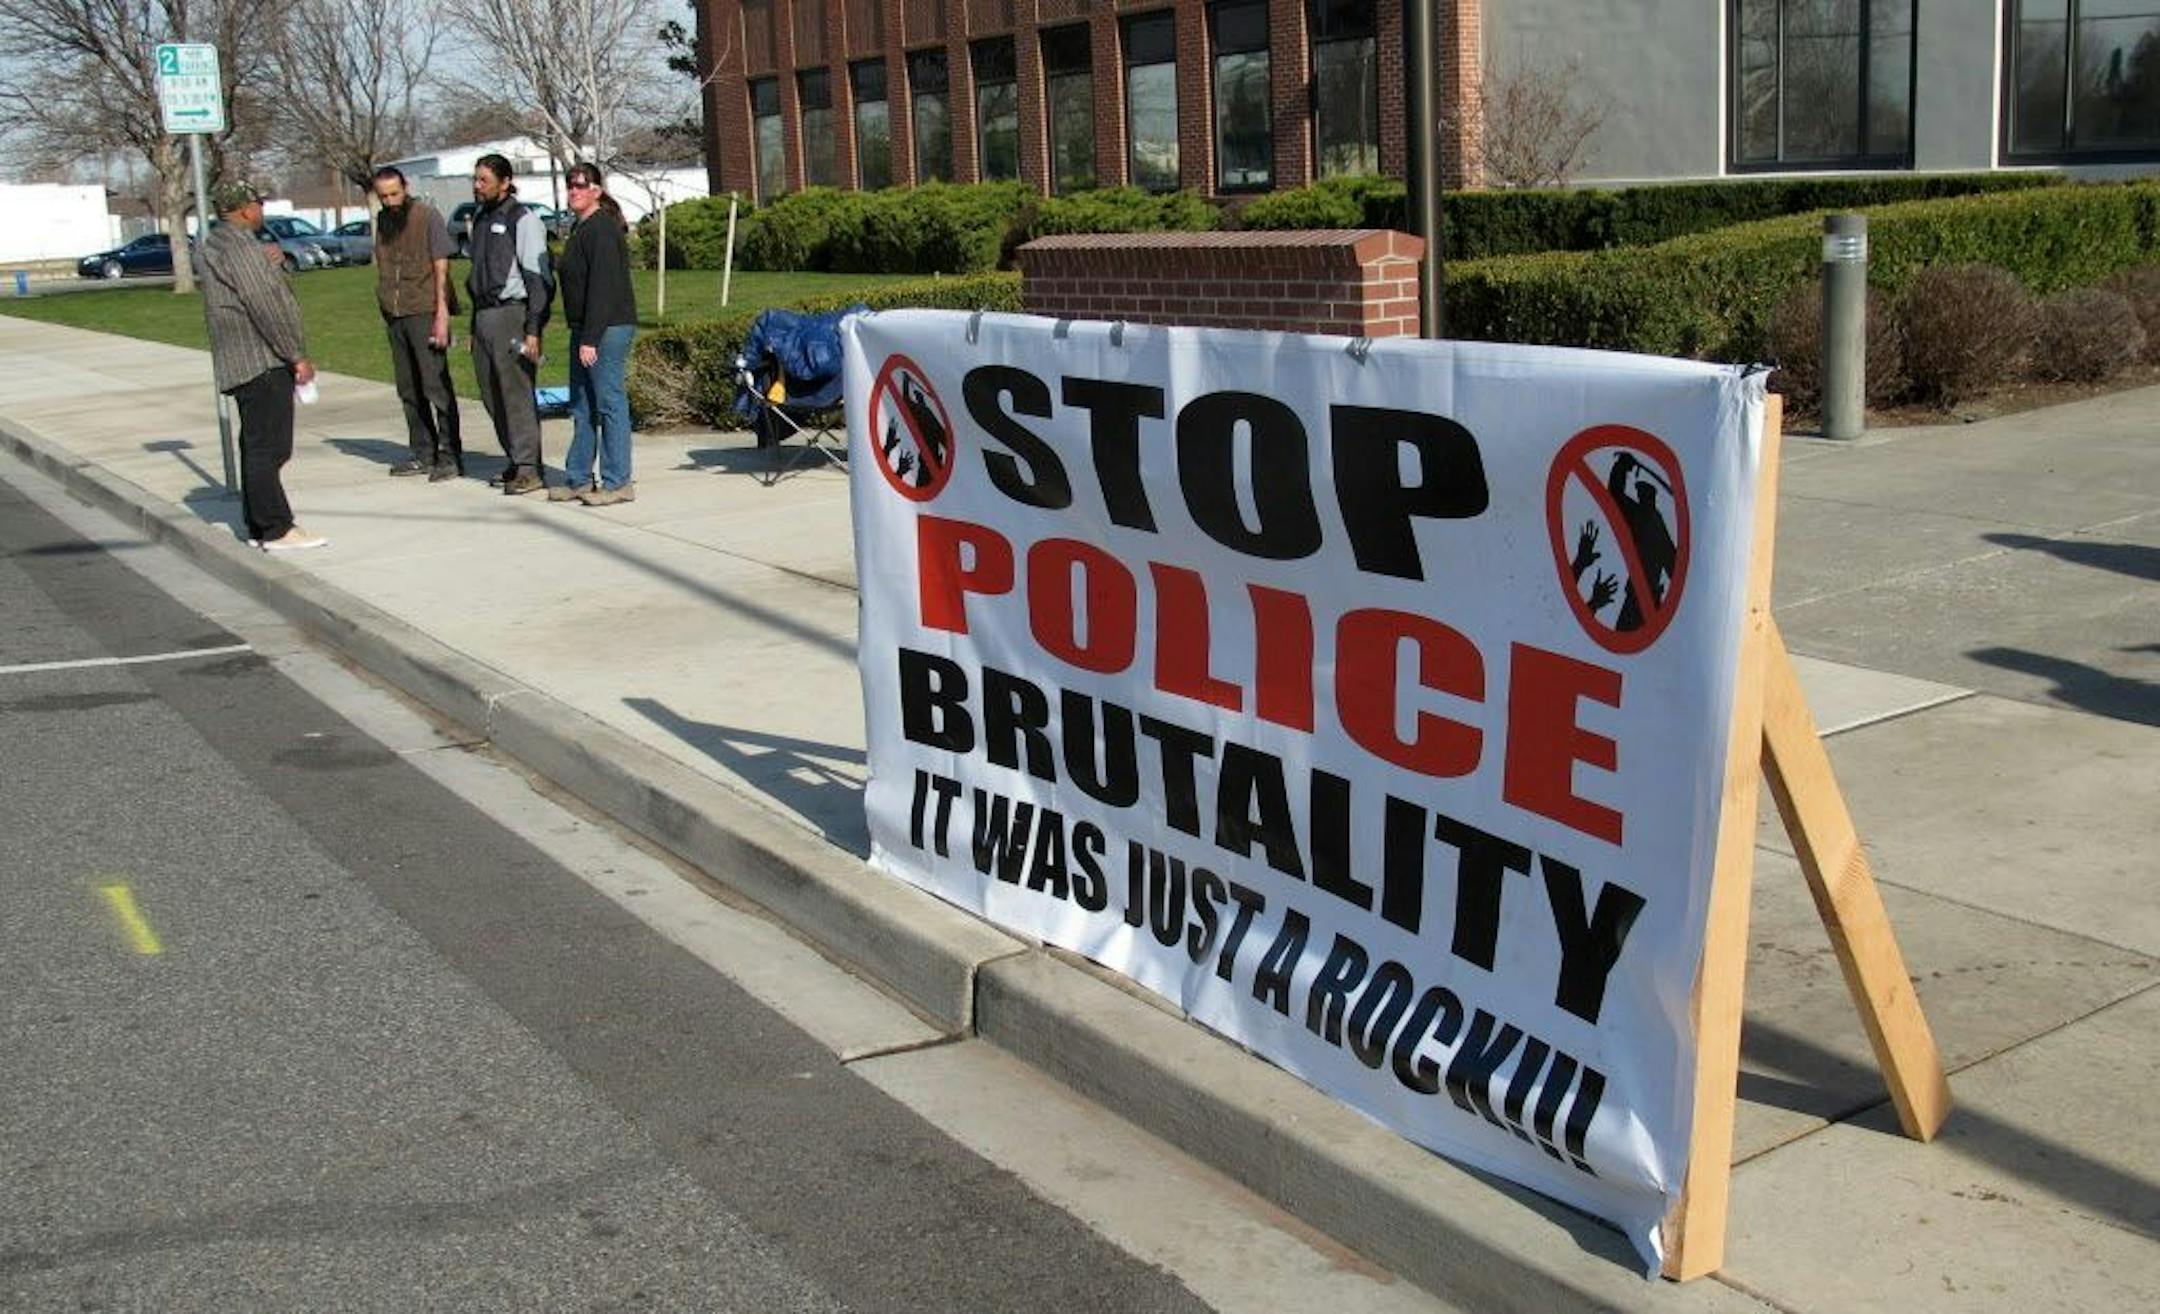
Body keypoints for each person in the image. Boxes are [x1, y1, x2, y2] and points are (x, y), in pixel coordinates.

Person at [197, 179, 325, 552]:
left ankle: (257, 524)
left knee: (256, 445)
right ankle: (276, 528)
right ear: (244, 209)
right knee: (270, 447)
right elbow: (262, 302)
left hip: (241, 360)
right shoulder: (238, 245)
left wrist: (272, 263)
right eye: (258, 204)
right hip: (260, 359)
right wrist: (295, 354)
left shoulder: (216, 243)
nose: (261, 211)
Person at [464, 153, 554, 495]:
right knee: (491, 395)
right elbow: (476, 277)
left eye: (484, 180)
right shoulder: (481, 217)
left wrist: (533, 327)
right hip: (484, 315)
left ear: (505, 182)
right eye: (476, 179)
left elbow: (538, 277)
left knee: (515, 394)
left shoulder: (523, 218)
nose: (477, 186)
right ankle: (515, 460)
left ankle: (530, 467)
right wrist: (474, 328)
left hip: (511, 315)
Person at [551, 162, 638, 506]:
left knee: (609, 403)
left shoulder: (601, 229)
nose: (574, 190)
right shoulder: (582, 227)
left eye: (581, 185)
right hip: (587, 327)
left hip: (607, 328)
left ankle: (618, 482)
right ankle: (579, 479)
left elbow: (603, 288)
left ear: (597, 190)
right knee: (582, 404)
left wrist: (590, 338)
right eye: (570, 184)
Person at [369, 166, 462, 480]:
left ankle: (450, 455)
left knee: (434, 384)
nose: (390, 201)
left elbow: (441, 265)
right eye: (384, 196)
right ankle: (423, 452)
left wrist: (441, 313)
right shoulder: (383, 220)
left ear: (405, 187)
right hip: (396, 312)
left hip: (424, 309)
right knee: (408, 388)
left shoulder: (426, 216)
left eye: (395, 193)